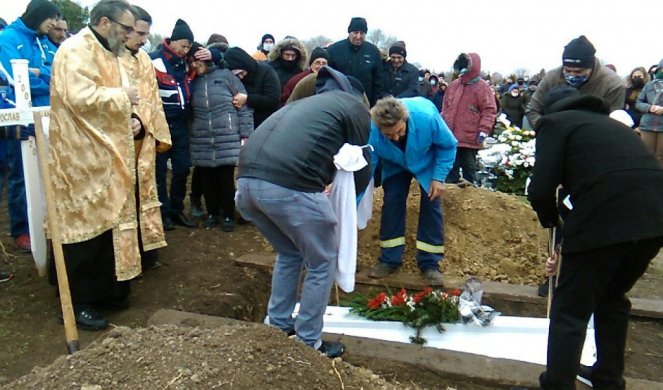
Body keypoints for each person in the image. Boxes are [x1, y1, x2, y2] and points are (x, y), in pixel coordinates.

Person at [528, 86, 663, 389]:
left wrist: (551, 221)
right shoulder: (611, 126)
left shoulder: (555, 123)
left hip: (606, 218)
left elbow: (540, 188)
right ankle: (608, 378)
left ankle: (557, 384)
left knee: (570, 310)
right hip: (655, 219)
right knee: (612, 298)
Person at [235, 66, 371, 359]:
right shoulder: (354, 107)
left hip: (245, 185)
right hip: (287, 189)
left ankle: (278, 325)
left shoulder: (302, 104)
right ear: (358, 96)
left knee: (289, 252)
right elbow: (361, 161)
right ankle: (308, 341)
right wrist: (351, 202)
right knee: (322, 261)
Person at [48, 0, 141, 331]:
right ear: (105, 21)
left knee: (108, 227)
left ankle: (107, 290)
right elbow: (79, 97)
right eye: (127, 28)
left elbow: (118, 101)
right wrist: (122, 96)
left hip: (109, 154)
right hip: (80, 156)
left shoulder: (110, 52)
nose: (130, 35)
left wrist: (133, 122)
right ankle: (76, 303)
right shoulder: (75, 50)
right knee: (83, 232)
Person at [367, 96, 457, 284]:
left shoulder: (426, 118)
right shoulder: (373, 131)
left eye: (399, 131)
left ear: (405, 120)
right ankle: (389, 260)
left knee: (431, 203)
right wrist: (356, 197)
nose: (396, 137)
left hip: (426, 160)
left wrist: (438, 177)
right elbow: (368, 165)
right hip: (395, 162)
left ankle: (430, 264)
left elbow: (448, 145)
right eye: (389, 135)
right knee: (392, 202)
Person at [0, 0, 60, 252]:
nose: (55, 24)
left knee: (48, 170)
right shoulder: (8, 38)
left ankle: (46, 222)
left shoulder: (42, 40)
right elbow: (15, 79)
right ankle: (22, 229)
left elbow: (61, 73)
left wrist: (41, 73)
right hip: (20, 117)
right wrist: (42, 76)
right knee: (21, 175)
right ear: (38, 16)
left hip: (48, 115)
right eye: (51, 19)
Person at [120, 5, 172, 271]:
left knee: (146, 193)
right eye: (139, 33)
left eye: (145, 34)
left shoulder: (143, 60)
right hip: (119, 142)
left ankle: (145, 248)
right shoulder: (110, 58)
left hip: (145, 138)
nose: (143, 40)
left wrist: (149, 127)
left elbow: (152, 101)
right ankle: (126, 256)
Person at [189, 42, 253, 232]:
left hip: (227, 136)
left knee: (225, 179)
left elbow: (244, 106)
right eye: (191, 62)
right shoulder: (193, 81)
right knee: (207, 179)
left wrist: (246, 133)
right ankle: (212, 213)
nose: (193, 66)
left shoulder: (226, 77)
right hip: (201, 138)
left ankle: (228, 215)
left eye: (196, 62)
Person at [150, 19, 198, 230]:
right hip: (160, 124)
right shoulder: (153, 60)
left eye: (189, 46)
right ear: (173, 41)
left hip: (181, 125)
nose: (185, 50)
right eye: (183, 45)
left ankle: (176, 209)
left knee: (182, 169)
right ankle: (163, 212)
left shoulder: (188, 63)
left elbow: (216, 57)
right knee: (159, 172)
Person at [525, 35, 625, 129]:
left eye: (578, 71)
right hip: (553, 130)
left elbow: (613, 121)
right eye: (567, 70)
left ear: (591, 67)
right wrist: (546, 130)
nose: (572, 75)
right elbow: (532, 109)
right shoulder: (551, 77)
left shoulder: (612, 84)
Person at [442, 52, 497, 184]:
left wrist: (484, 129)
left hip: (470, 139)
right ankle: (450, 198)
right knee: (450, 169)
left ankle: (471, 200)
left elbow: (489, 110)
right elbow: (445, 108)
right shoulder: (454, 85)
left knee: (469, 170)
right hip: (451, 138)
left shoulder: (483, 87)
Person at [327, 17, 384, 106]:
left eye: (362, 33)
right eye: (355, 32)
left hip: (365, 103)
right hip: (339, 102)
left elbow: (378, 82)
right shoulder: (334, 50)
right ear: (349, 32)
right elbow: (328, 78)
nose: (358, 36)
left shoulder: (373, 52)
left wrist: (375, 105)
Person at [223, 46, 280, 128]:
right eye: (237, 75)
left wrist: (247, 99)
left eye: (241, 73)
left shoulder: (267, 72)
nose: (241, 77)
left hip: (268, 124)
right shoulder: (234, 79)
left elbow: (273, 100)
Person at [636, 59, 663, 162]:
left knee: (661, 156)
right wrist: (649, 108)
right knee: (646, 155)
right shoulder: (649, 85)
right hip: (647, 124)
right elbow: (639, 102)